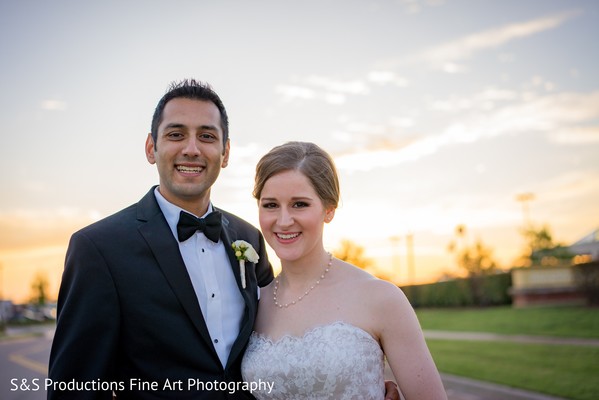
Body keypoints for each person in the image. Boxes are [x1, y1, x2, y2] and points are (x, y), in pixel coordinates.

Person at [48, 80, 401, 400]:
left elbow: (286, 331)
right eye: (175, 134)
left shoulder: (250, 238)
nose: (191, 148)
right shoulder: (98, 249)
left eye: (206, 135)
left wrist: (356, 378)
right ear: (151, 148)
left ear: (226, 152)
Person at [241, 141, 448, 400]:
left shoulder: (381, 298)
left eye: (300, 204)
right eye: (270, 205)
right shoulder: (253, 302)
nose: (283, 221)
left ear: (328, 209)